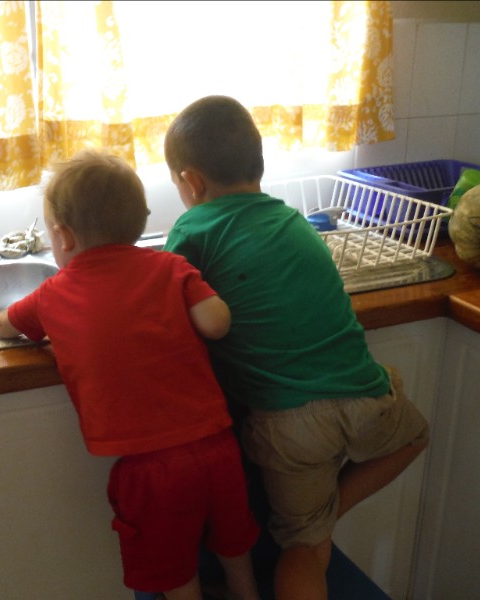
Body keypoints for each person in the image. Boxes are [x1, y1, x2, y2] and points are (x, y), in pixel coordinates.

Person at [162, 95, 430, 600]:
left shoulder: (193, 228)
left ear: (192, 181)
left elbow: (164, 303)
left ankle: (314, 520)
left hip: (290, 426)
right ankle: (323, 515)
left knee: (302, 548)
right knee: (416, 435)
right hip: (367, 399)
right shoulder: (293, 219)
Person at [0, 149, 261, 600]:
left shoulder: (53, 294)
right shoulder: (171, 266)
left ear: (63, 236)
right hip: (218, 447)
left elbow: (1, 327)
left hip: (151, 471)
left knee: (174, 569)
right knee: (235, 542)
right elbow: (215, 321)